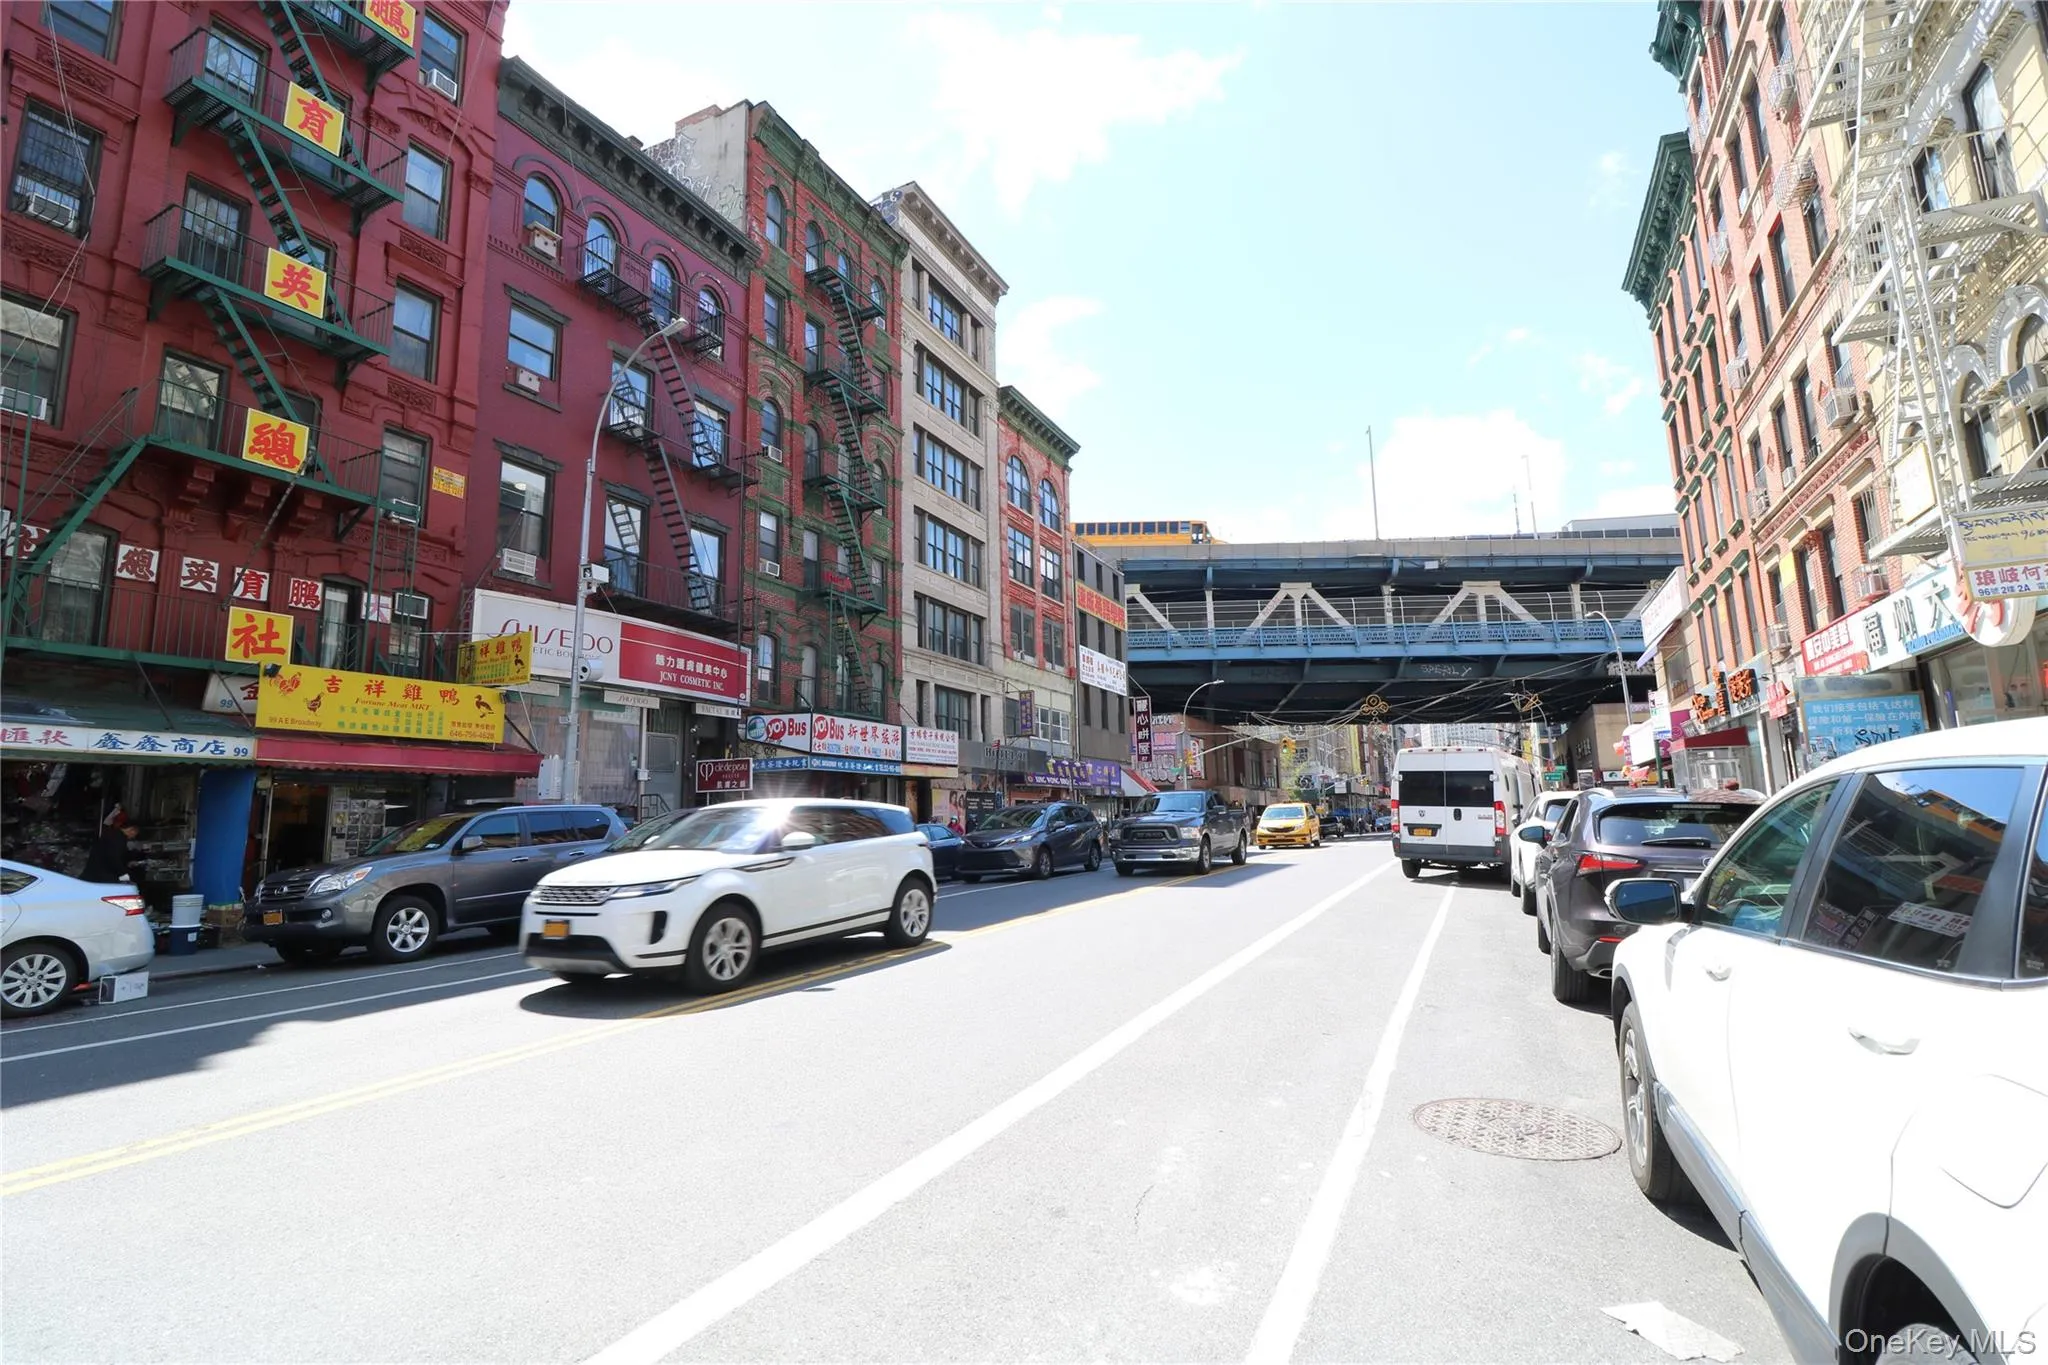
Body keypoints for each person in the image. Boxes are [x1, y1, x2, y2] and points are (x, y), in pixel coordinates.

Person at [84, 813, 140, 884]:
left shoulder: (112, 834)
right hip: (103, 874)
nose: (133, 837)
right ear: (132, 830)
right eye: (135, 834)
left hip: (95, 871)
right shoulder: (119, 839)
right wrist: (123, 873)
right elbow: (114, 857)